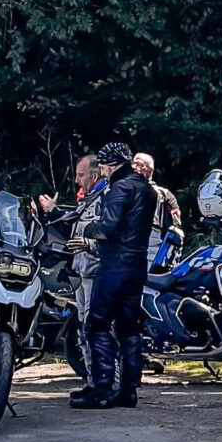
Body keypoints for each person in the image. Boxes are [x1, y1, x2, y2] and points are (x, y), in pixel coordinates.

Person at [72, 141, 156, 411]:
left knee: (96, 325)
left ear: (111, 164)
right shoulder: (148, 189)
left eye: (105, 166)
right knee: (128, 329)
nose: (103, 171)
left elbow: (108, 228)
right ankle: (128, 391)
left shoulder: (119, 188)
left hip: (114, 266)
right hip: (137, 266)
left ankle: (101, 389)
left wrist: (87, 228)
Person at [132, 153, 182, 269]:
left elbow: (175, 230)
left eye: (139, 164)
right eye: (133, 163)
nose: (134, 167)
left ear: (150, 170)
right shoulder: (119, 191)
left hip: (151, 252)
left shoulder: (164, 195)